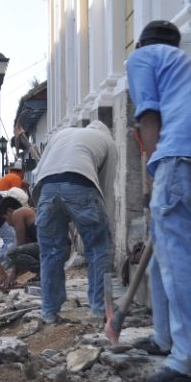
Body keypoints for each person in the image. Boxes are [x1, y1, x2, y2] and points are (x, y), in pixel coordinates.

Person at [126, 20, 191, 382]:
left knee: (179, 250)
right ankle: (166, 337)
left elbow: (149, 116)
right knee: (167, 246)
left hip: (180, 154)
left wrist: (152, 168)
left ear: (142, 44)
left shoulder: (142, 59)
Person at [32, 121, 117, 324]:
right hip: (81, 184)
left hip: (47, 188)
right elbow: (105, 188)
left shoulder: (62, 134)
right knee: (99, 249)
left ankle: (49, 311)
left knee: (51, 251)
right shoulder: (108, 142)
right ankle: (98, 309)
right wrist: (106, 226)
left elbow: (39, 174)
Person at [0, 203, 39, 288]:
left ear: (9, 211)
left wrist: (13, 274)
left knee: (11, 253)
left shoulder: (18, 213)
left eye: (5, 219)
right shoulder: (31, 212)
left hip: (53, 248)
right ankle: (41, 274)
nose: (8, 224)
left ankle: (45, 272)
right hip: (60, 248)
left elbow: (19, 247)